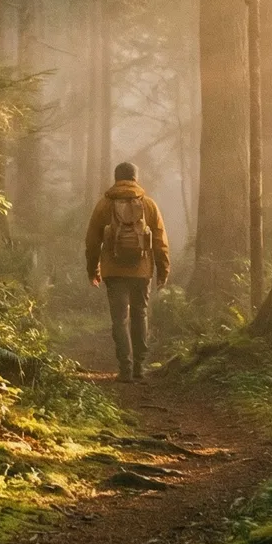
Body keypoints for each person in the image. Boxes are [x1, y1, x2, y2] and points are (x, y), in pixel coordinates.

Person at [85, 161, 170, 381]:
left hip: (113, 271)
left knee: (120, 319)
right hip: (142, 270)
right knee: (140, 315)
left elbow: (92, 240)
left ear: (116, 178)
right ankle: (139, 368)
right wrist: (163, 270)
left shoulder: (105, 205)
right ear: (135, 178)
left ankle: (125, 369)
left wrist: (93, 268)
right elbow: (160, 240)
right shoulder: (148, 205)